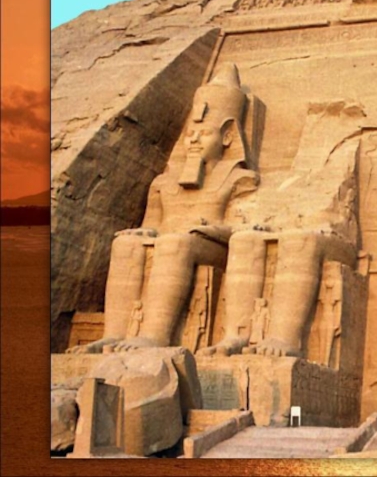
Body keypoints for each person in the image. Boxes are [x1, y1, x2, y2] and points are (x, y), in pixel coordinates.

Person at [69, 63, 258, 353]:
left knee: (175, 243)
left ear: (228, 136)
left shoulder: (239, 178)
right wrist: (143, 231)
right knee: (126, 245)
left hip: (213, 246)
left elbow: (242, 229)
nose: (194, 141)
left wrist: (209, 229)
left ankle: (155, 335)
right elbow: (152, 224)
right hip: (178, 240)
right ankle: (115, 333)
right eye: (190, 134)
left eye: (205, 134)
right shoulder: (163, 182)